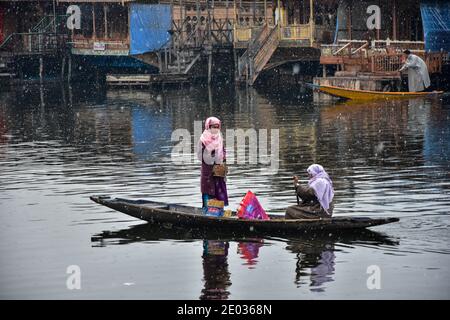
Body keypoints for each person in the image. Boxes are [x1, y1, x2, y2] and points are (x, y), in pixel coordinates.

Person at [197, 116, 229, 213]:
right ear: (208, 127)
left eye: (217, 127)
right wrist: (211, 155)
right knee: (208, 194)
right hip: (207, 173)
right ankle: (207, 213)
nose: (215, 129)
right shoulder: (203, 140)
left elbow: (223, 153)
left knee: (218, 194)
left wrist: (223, 162)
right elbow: (200, 156)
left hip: (218, 174)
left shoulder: (219, 139)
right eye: (213, 127)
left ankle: (218, 213)